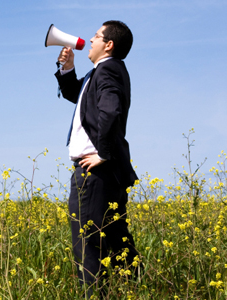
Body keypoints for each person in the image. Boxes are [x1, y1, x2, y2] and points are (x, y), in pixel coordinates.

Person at [54, 20, 141, 298]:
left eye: (96, 36)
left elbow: (110, 111)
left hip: (95, 172)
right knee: (115, 238)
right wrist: (67, 69)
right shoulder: (105, 72)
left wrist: (102, 153)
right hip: (109, 172)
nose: (90, 40)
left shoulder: (107, 72)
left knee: (88, 243)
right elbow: (77, 96)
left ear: (109, 44)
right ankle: (133, 289)